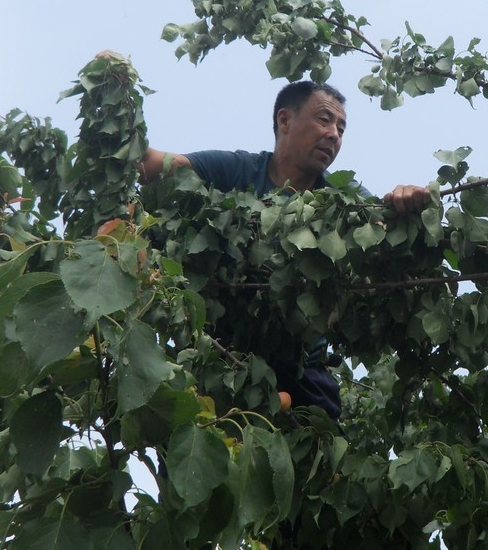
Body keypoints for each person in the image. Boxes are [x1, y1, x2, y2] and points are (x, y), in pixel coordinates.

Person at [139, 80, 432, 419]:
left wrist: (406, 204)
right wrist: (116, 88)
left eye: (341, 128)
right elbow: (151, 166)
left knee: (318, 442)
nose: (334, 134)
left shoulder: (344, 200)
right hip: (220, 357)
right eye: (324, 120)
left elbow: (386, 232)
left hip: (301, 372)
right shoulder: (236, 172)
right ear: (284, 121)